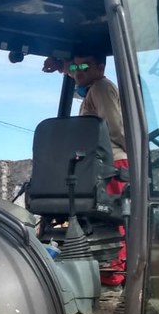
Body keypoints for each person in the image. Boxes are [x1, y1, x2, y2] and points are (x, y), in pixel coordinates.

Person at [43, 50, 127, 286]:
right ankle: (114, 276)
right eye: (75, 68)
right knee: (122, 218)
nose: (78, 73)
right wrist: (139, 153)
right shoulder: (99, 86)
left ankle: (110, 272)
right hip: (116, 162)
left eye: (85, 67)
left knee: (113, 217)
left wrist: (64, 67)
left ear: (100, 67)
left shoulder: (99, 87)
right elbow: (116, 129)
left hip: (105, 162)